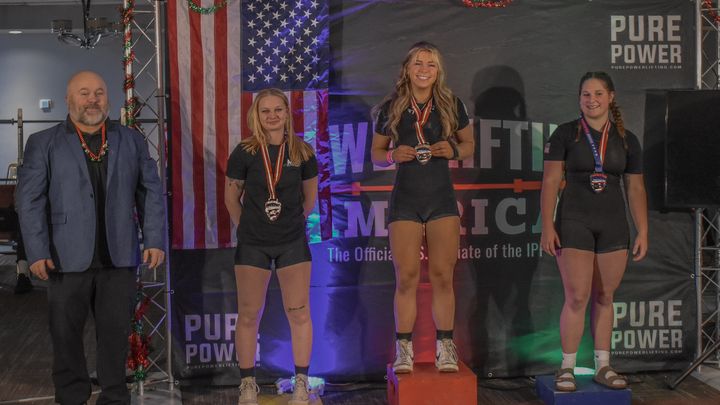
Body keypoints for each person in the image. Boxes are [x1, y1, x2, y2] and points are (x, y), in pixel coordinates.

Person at [16, 70, 166, 404]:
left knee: (115, 337)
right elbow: (29, 201)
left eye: (99, 92)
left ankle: (114, 397)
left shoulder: (131, 140)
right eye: (84, 93)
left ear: (107, 98)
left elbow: (151, 192)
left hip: (119, 257)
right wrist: (36, 251)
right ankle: (71, 397)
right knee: (65, 336)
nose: (92, 99)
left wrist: (154, 239)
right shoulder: (43, 142)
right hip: (64, 258)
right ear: (69, 99)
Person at [540, 71, 648, 392]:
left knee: (605, 296)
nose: (592, 100)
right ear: (579, 98)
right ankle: (567, 367)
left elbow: (636, 188)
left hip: (613, 225)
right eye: (586, 94)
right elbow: (549, 182)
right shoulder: (565, 134)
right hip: (574, 222)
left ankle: (603, 366)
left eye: (599, 94)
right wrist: (547, 225)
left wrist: (643, 229)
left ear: (611, 97)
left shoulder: (627, 139)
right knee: (577, 296)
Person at [371, 41, 474, 373]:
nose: (424, 69)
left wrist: (453, 151)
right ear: (407, 68)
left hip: (441, 200)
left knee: (443, 275)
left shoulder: (451, 104)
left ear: (438, 70)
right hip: (406, 202)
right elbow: (376, 154)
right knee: (407, 277)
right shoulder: (391, 107)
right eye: (418, 63)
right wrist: (391, 155)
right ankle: (404, 349)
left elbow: (469, 145)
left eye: (430, 64)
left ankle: (446, 346)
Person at [225, 88, 318, 405]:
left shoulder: (303, 152)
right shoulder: (244, 152)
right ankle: (247, 384)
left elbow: (310, 198)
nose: (272, 116)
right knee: (249, 314)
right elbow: (231, 198)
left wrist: (288, 224)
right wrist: (249, 228)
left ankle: (301, 383)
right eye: (265, 111)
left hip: (292, 243)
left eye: (278, 109)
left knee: (299, 312)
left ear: (287, 113)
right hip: (253, 244)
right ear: (256, 115)